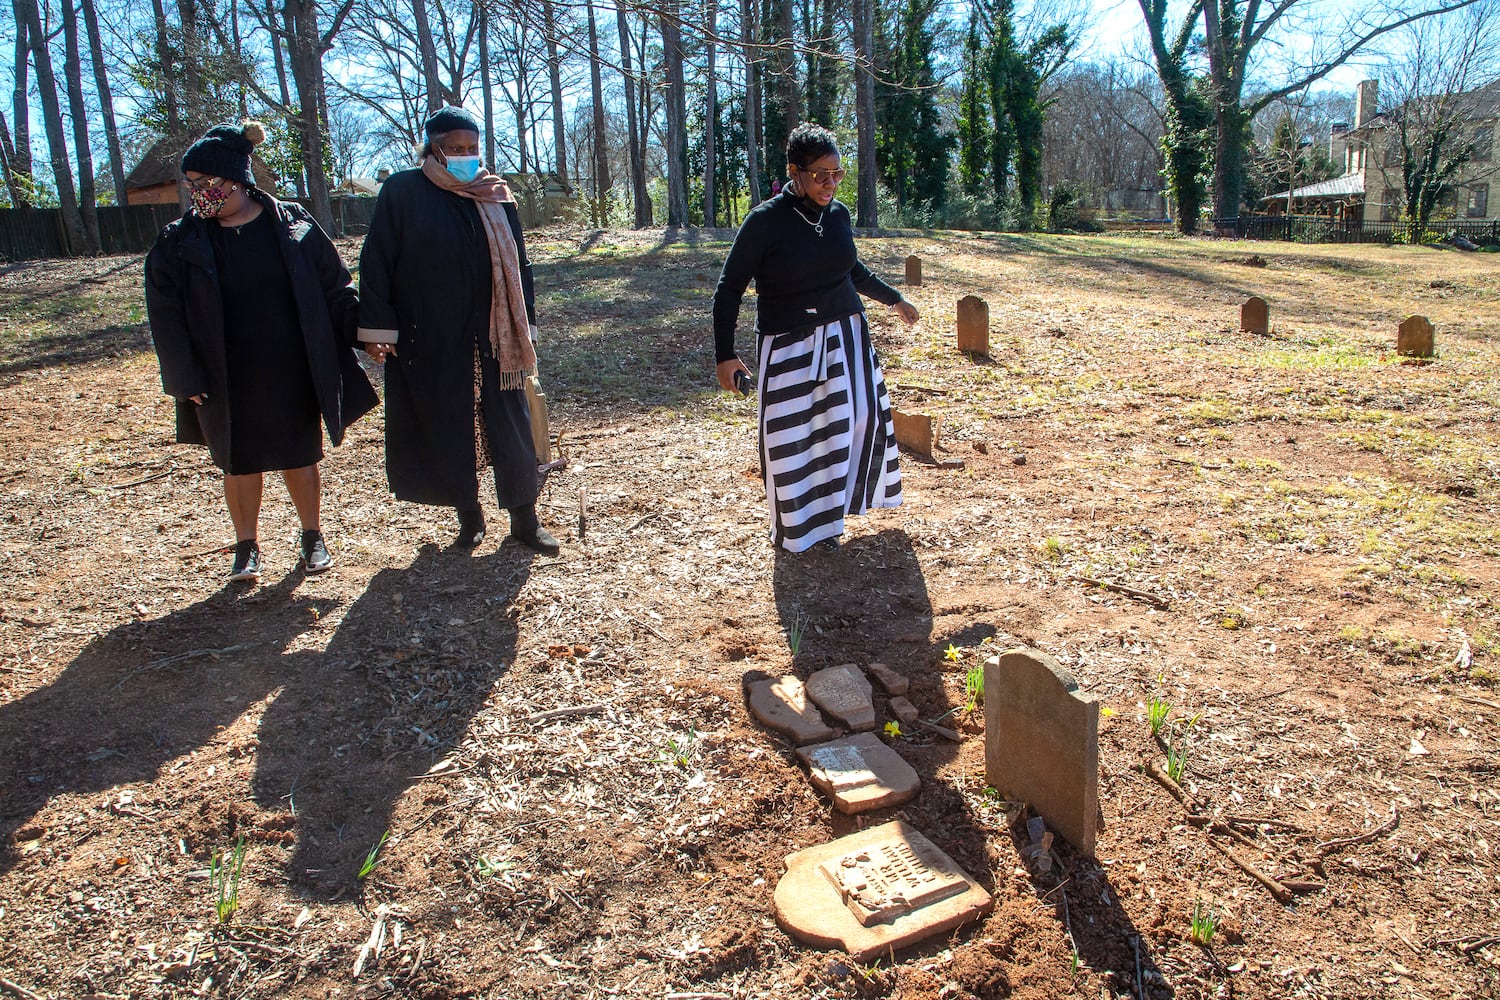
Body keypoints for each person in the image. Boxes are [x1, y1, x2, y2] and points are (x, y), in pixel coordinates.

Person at [145, 121, 378, 582]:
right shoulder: (179, 240)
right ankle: (246, 546)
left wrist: (366, 334)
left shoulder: (291, 224)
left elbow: (335, 288)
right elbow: (165, 316)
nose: (200, 194)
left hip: (292, 364)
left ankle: (312, 536)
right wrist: (183, 376)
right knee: (238, 458)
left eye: (208, 184)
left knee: (300, 454)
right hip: (222, 371)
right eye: (191, 186)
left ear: (239, 181)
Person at [357, 107, 559, 555]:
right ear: (433, 149)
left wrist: (526, 323)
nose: (467, 156)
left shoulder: (494, 193)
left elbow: (519, 266)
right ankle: (468, 516)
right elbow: (377, 261)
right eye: (456, 149)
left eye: (473, 148)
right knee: (451, 421)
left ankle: (525, 519)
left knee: (511, 422)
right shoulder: (403, 192)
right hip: (429, 332)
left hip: (496, 334)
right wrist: (378, 329)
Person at [711, 123, 920, 553]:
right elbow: (729, 288)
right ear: (795, 171)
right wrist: (724, 355)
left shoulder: (838, 215)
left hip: (847, 335)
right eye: (820, 174)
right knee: (790, 440)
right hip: (789, 345)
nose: (830, 183)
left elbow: (851, 270)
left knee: (847, 428)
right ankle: (795, 530)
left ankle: (831, 519)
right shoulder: (764, 222)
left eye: (837, 174)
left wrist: (893, 299)